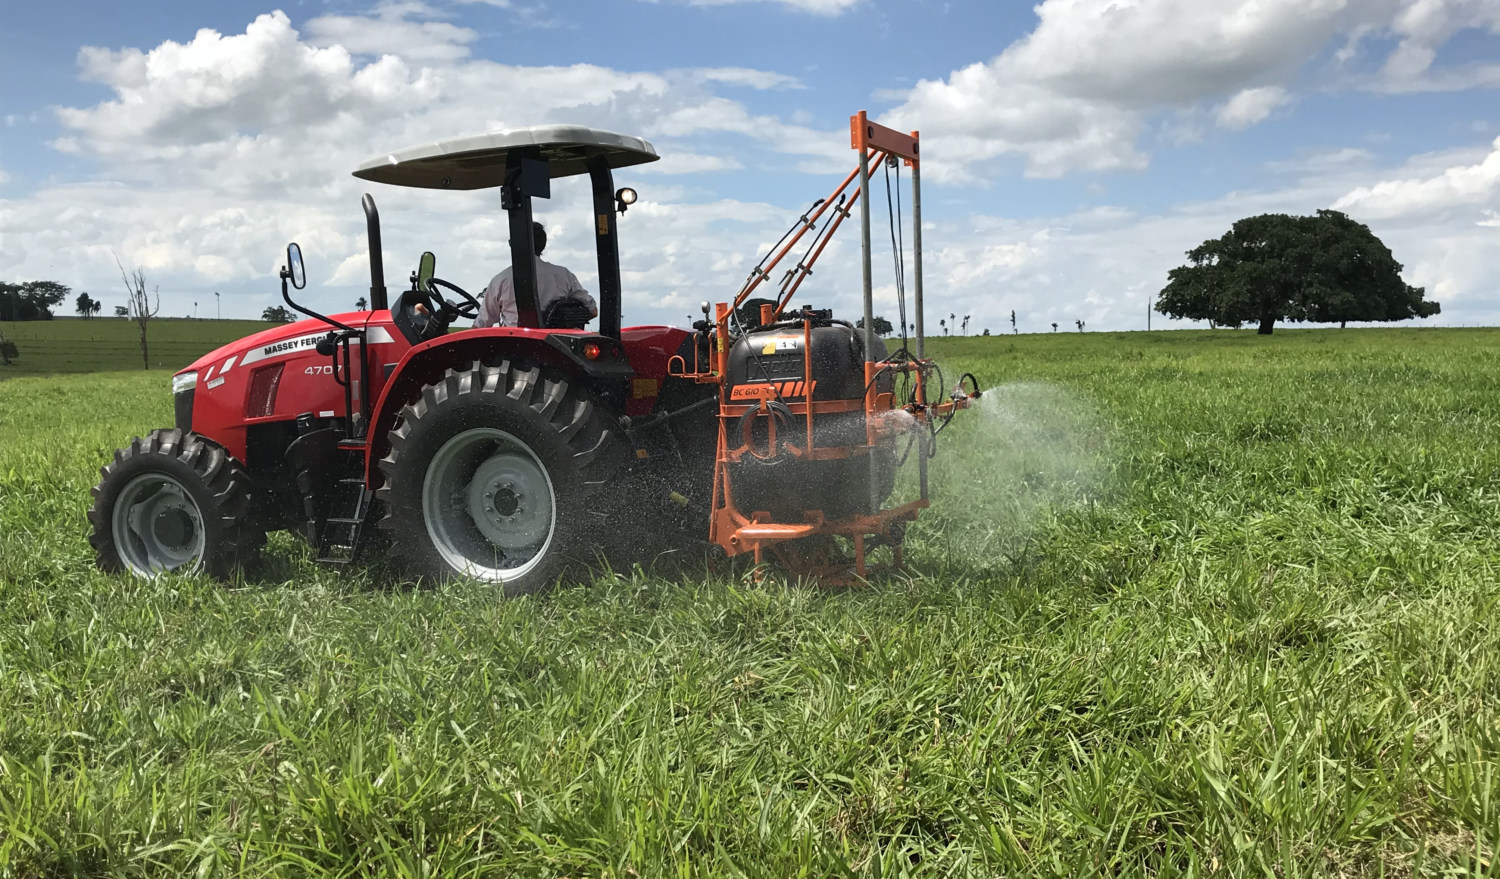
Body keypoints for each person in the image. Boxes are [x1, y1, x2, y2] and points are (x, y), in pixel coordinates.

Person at [473, 222, 598, 328]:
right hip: (558, 345)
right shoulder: (564, 275)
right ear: (542, 245)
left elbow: (483, 323)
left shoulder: (501, 280)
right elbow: (593, 311)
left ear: (514, 245)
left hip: (515, 345)